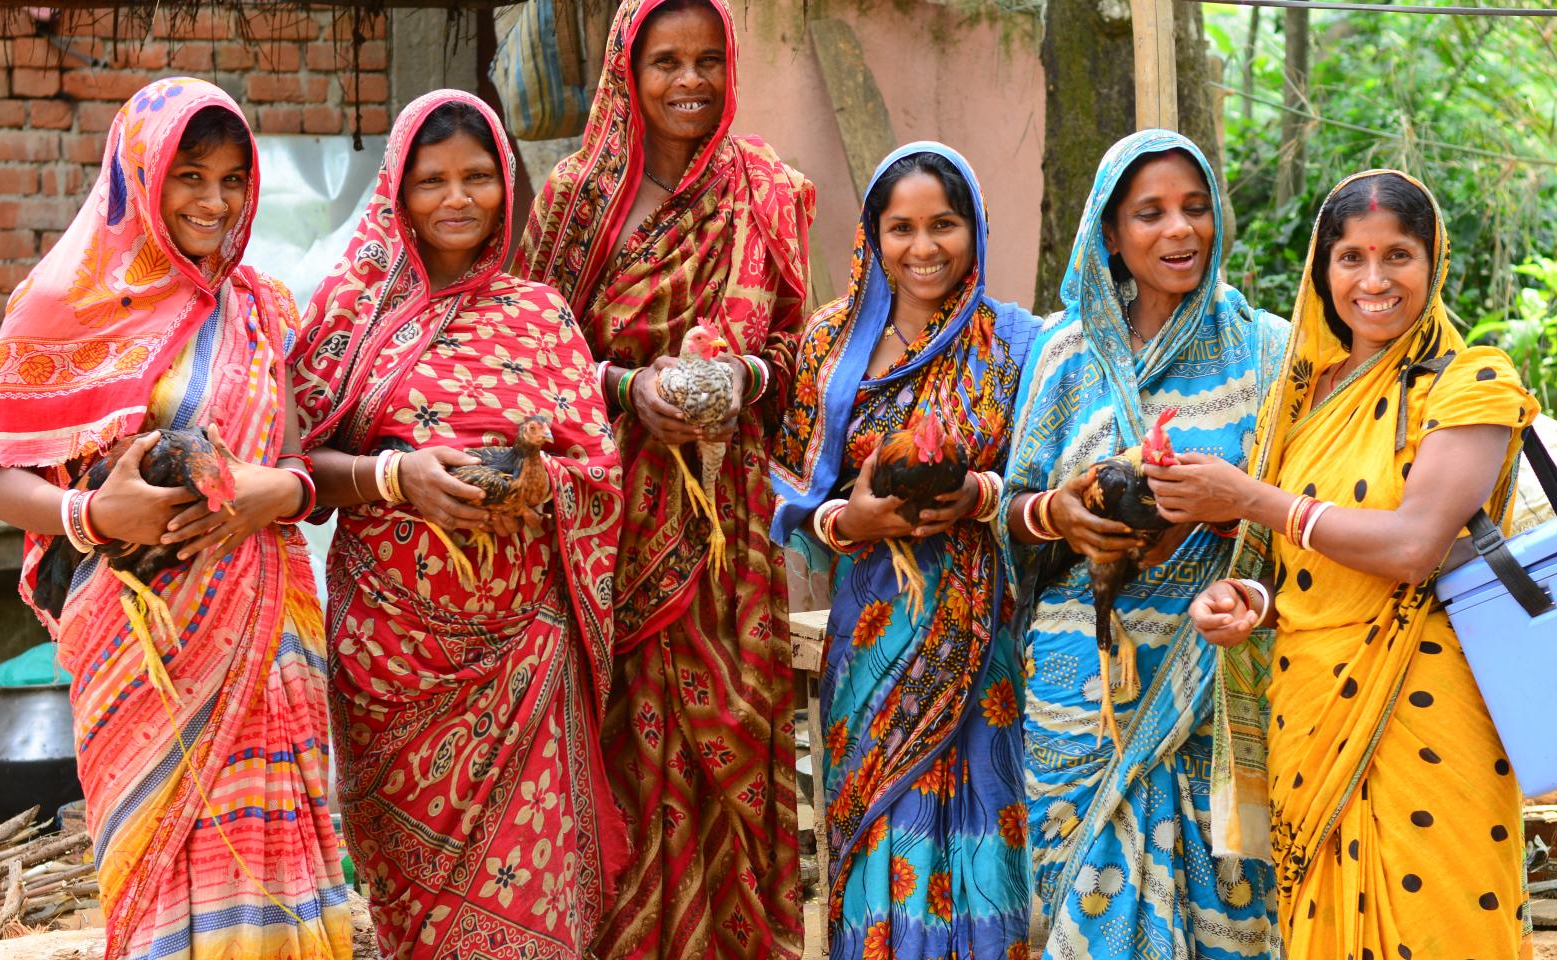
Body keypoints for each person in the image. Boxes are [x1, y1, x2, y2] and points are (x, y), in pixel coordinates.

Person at [0, 78, 351, 960]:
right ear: (139, 172)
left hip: (265, 631)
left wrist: (271, 494)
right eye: (189, 176)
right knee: (157, 883)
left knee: (282, 890)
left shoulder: (261, 308)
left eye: (231, 180)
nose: (214, 203)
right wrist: (94, 512)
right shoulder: (64, 304)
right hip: (144, 651)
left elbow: (294, 463)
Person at [1156, 170, 1536, 959]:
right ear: (1322, 272)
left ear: (1433, 264)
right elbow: (1301, 561)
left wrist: (1252, 500)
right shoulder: (1301, 395)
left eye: (1398, 255)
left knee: (1445, 919)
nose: (1373, 280)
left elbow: (1411, 547)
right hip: (1311, 702)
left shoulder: (1471, 382)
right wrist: (1248, 601)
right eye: (1350, 258)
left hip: (1428, 700)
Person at [288, 91, 626, 960]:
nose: (457, 198)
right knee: (419, 911)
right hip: (392, 665)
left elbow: (597, 472)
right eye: (431, 180)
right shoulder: (344, 315)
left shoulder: (540, 314)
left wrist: (533, 484)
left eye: (478, 175)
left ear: (507, 184)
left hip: (523, 656)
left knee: (537, 908)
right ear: (396, 192)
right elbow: (297, 477)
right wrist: (394, 477)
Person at [517, 1, 813, 956]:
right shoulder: (574, 199)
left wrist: (743, 379)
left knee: (737, 758)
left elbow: (798, 356)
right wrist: (627, 388)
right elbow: (534, 359)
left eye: (708, 60)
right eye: (665, 62)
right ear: (624, 71)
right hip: (609, 538)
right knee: (626, 765)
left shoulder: (765, 189)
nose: (690, 82)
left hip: (729, 537)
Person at [999, 130, 1284, 958]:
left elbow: (1297, 509)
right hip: (1076, 675)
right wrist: (1061, 514)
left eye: (1195, 209)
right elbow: (1011, 510)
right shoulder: (1065, 351)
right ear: (1110, 231)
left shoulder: (1265, 350)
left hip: (1212, 666)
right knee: (1082, 891)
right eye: (1150, 213)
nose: (1179, 231)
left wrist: (1218, 512)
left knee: (1226, 894)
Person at [770, 143, 1039, 960]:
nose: (924, 248)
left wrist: (979, 497)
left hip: (983, 638)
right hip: (873, 636)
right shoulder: (830, 343)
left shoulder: (1021, 343)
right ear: (872, 237)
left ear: (977, 231)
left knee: (985, 817)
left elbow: (1047, 477)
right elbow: (785, 487)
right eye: (902, 228)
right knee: (878, 825)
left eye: (945, 225)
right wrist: (849, 524)